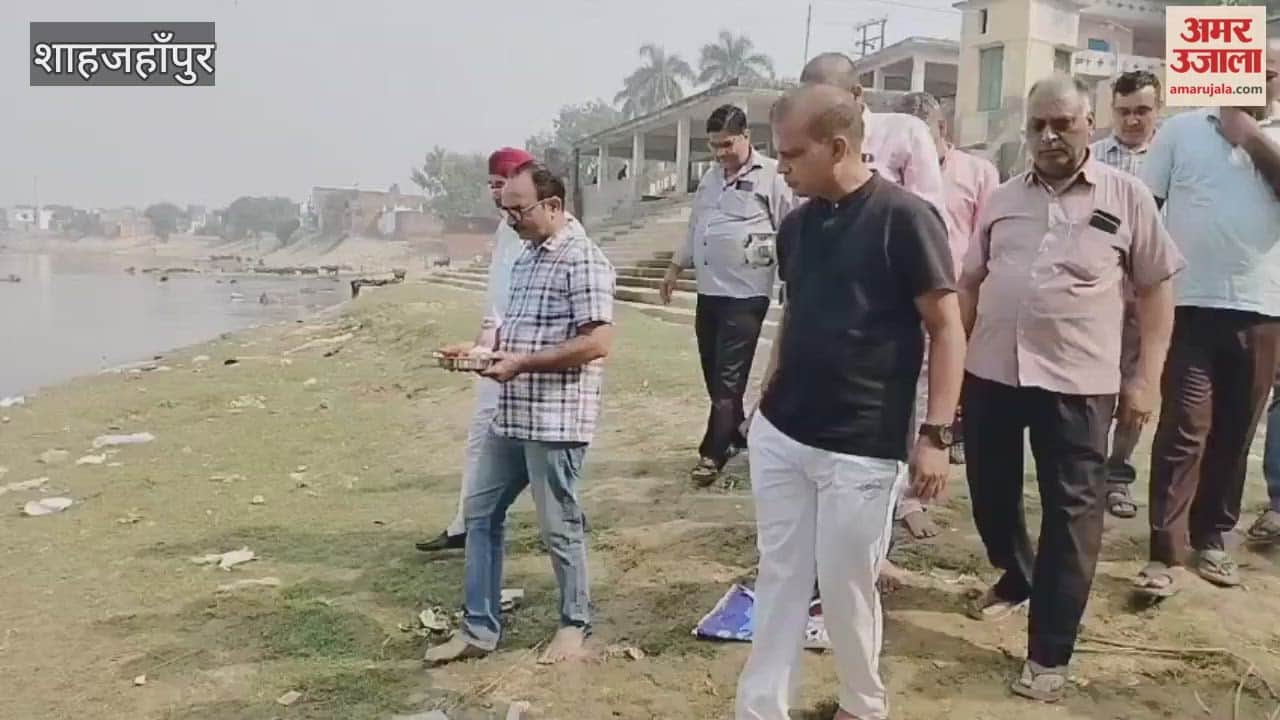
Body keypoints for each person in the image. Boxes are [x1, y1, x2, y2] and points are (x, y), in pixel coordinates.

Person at [735, 83, 965, 720]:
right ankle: (760, 707)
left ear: (838, 147)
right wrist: (766, 396)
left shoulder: (906, 219)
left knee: (845, 586)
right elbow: (795, 313)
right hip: (784, 432)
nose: (780, 167)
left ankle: (862, 706)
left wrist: (936, 434)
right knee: (779, 575)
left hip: (860, 445)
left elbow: (947, 329)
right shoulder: (798, 225)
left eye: (791, 154)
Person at [959, 74, 1183, 702]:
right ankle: (1019, 572)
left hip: (1079, 387)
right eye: (1038, 126)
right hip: (993, 375)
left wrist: (1146, 378)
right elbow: (971, 279)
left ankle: (1049, 652)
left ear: (1091, 125)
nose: (1049, 136)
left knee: (1073, 517)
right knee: (990, 499)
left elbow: (1156, 289)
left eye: (1063, 123)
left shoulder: (1129, 196)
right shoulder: (1001, 198)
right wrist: (953, 371)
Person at [425, 163, 616, 666]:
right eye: (504, 210)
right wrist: (478, 354)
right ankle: (479, 628)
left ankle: (574, 623)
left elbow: (597, 342)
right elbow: (518, 332)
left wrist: (524, 363)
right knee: (479, 513)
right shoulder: (528, 256)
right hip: (511, 413)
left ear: (553, 205)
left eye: (520, 210)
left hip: (555, 420)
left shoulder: (584, 260)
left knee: (559, 526)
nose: (511, 220)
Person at [1137, 38, 1280, 595]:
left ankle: (1214, 538)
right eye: (1251, 69)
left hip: (1263, 310)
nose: (1260, 80)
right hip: (1188, 303)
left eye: (1269, 73)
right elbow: (1147, 206)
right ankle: (1165, 552)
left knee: (1235, 432)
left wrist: (1250, 137)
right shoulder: (1181, 129)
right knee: (1183, 428)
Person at [660, 104, 794, 486]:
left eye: (727, 144)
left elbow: (789, 226)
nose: (721, 153)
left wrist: (790, 281)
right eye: (714, 146)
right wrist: (674, 268)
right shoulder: (710, 179)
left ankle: (712, 452)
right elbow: (696, 225)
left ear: (746, 137)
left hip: (746, 293)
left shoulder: (771, 175)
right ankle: (735, 432)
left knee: (728, 378)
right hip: (710, 291)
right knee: (713, 373)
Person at [417, 147, 535, 553]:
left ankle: (565, 518)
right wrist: (480, 344)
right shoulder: (505, 230)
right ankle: (465, 524)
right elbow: (498, 300)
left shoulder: (542, 231)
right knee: (483, 439)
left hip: (530, 357)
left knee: (541, 447)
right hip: (497, 354)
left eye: (502, 184)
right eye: (492, 185)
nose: (496, 193)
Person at [895, 90, 999, 537]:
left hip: (956, 302)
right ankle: (905, 500)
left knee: (941, 398)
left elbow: (988, 242)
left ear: (943, 131)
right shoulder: (892, 174)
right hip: (900, 303)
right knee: (904, 399)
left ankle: (922, 488)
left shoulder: (978, 173)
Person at [1088, 70, 1162, 520]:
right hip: (1098, 294)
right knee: (1092, 387)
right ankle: (1088, 470)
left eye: (1143, 110)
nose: (1133, 120)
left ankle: (1118, 474)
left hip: (1149, 296)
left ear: (1159, 109)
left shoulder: (1170, 158)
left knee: (1137, 389)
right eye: (1124, 111)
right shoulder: (1092, 158)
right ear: (1111, 110)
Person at [799, 52, 944, 212]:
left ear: (856, 94)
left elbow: (927, 214)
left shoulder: (906, 133)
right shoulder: (807, 144)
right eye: (808, 102)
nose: (817, 110)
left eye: (825, 100)